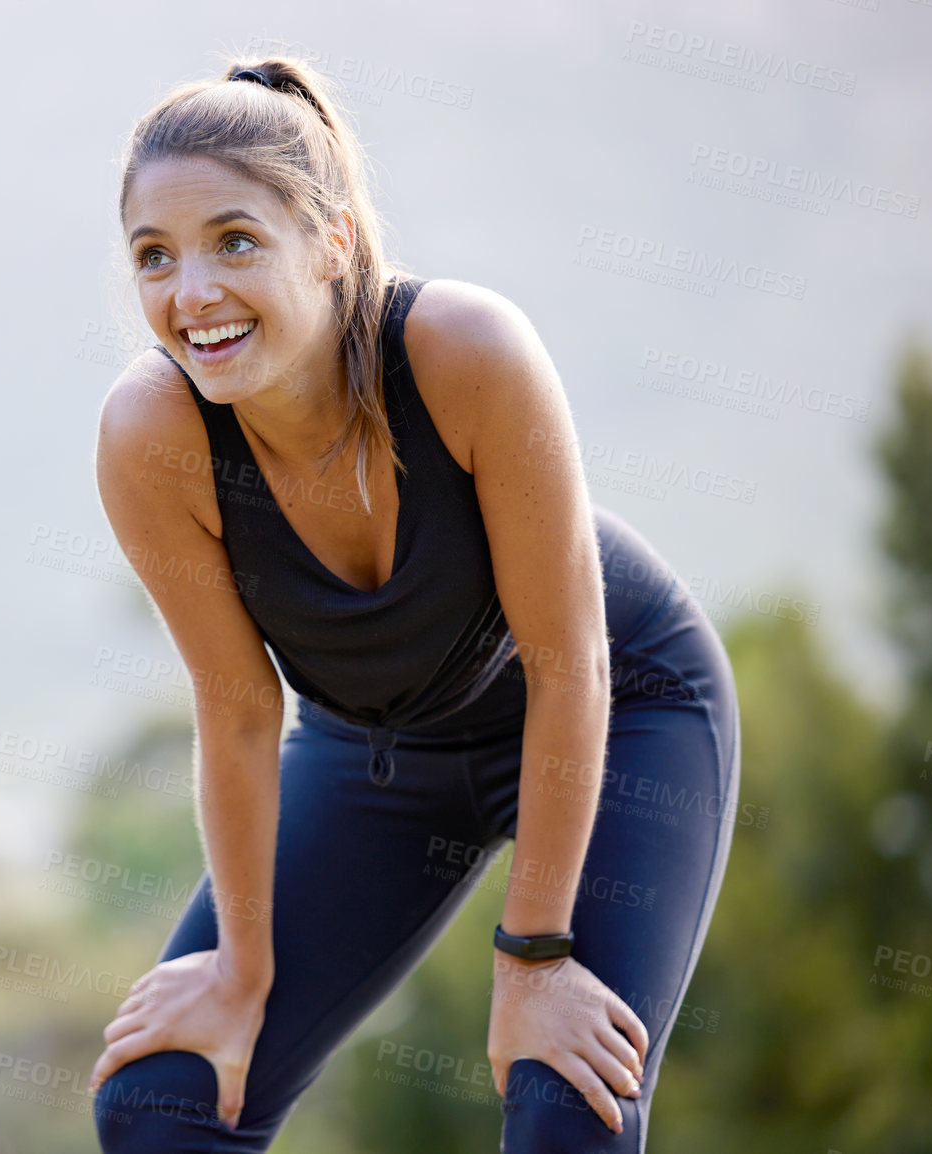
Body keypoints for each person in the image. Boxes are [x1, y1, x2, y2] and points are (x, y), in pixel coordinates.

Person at [85, 57, 740, 1153]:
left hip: (620, 708)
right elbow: (239, 706)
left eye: (234, 240)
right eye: (155, 256)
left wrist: (533, 959)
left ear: (333, 240)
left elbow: (569, 662)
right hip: (380, 746)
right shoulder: (153, 437)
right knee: (165, 1098)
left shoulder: (465, 353)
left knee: (564, 1100)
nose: (189, 291)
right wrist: (240, 970)